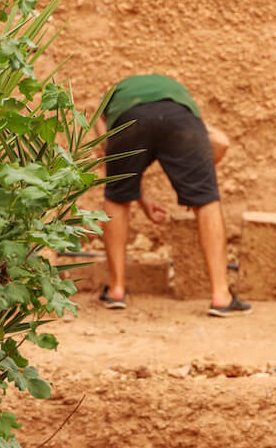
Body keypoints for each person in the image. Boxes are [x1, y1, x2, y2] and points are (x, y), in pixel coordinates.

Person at [97, 74, 251, 316]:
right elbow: (221, 142)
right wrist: (197, 188)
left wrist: (136, 196)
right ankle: (221, 295)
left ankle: (116, 290)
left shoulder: (112, 102)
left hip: (129, 120)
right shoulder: (180, 100)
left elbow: (113, 165)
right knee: (207, 200)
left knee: (116, 196)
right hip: (179, 120)